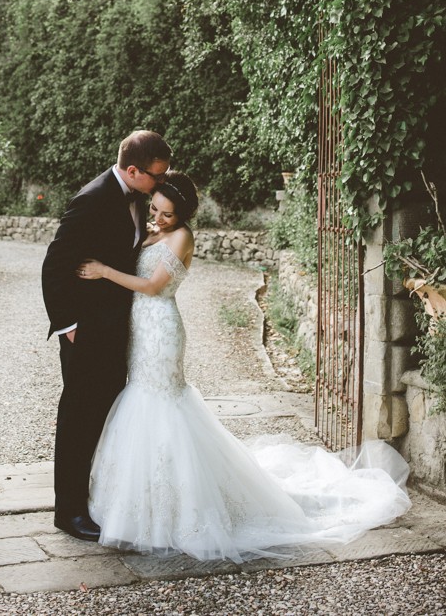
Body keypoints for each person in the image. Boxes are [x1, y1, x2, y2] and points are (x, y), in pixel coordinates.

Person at [77, 171, 411, 562]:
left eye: (167, 214)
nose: (159, 218)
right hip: (140, 330)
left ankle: (180, 511)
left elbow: (152, 286)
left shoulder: (183, 236)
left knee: (162, 403)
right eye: (155, 209)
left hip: (162, 332)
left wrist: (103, 271)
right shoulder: (151, 228)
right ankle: (140, 503)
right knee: (142, 400)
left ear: (182, 214)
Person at [41, 129, 172, 542]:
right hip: (87, 331)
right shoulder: (93, 198)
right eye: (157, 175)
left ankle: (97, 499)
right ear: (132, 170)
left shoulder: (138, 199)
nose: (162, 182)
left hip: (117, 329)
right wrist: (68, 327)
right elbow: (54, 265)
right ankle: (69, 511)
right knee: (79, 418)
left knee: (107, 416)